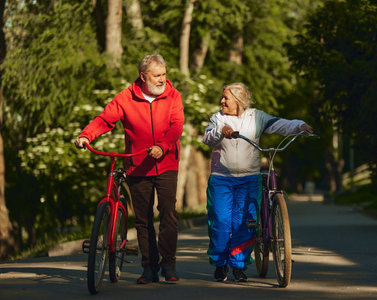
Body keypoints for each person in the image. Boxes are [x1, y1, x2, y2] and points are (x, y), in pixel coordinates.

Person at [75, 54, 184, 283]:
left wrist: (162, 147)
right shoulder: (126, 97)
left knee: (167, 213)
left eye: (164, 74)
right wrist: (86, 135)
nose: (162, 79)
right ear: (143, 76)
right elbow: (105, 119)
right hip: (137, 165)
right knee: (143, 219)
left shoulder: (173, 95)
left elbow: (176, 126)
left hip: (165, 163)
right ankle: (149, 267)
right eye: (157, 75)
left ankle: (169, 264)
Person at [202, 82, 313, 282]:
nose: (222, 101)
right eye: (223, 97)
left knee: (245, 224)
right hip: (221, 179)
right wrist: (221, 131)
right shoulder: (217, 118)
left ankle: (238, 266)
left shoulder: (256, 117)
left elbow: (279, 124)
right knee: (220, 223)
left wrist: (299, 125)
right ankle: (220, 264)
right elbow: (207, 138)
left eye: (226, 98)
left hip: (249, 179)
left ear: (239, 101)